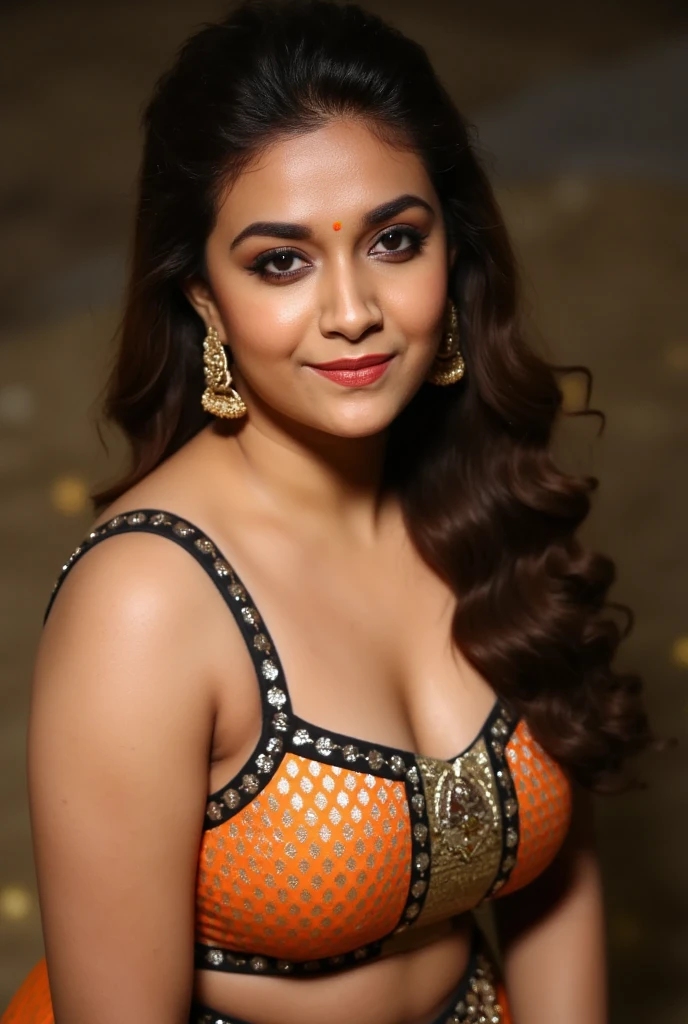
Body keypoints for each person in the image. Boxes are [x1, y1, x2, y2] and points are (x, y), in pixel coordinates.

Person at [2, 2, 651, 1022]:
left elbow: (556, 885)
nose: (351, 311)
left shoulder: (492, 497)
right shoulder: (149, 604)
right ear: (204, 300)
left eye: (394, 240)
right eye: (280, 261)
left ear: (452, 244)